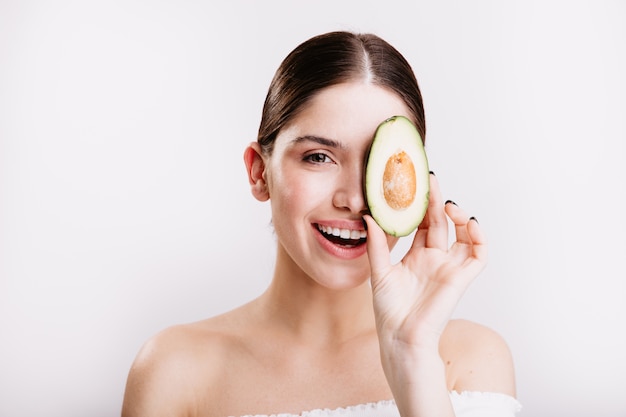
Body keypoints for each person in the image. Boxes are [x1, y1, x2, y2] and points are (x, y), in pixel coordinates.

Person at [121, 31, 520, 417]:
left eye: (382, 165)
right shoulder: (175, 369)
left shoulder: (468, 360)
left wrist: (411, 354)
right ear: (260, 172)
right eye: (318, 157)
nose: (354, 198)